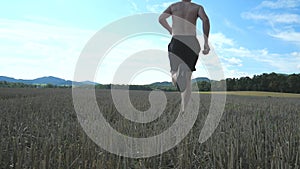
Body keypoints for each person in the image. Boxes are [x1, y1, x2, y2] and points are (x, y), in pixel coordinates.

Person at [159, 0, 210, 113]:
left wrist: (170, 29)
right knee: (187, 79)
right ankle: (184, 111)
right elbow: (205, 20)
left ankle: (176, 75)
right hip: (192, 42)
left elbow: (161, 18)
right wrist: (206, 42)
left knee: (174, 73)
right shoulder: (197, 7)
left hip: (177, 41)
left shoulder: (173, 6)